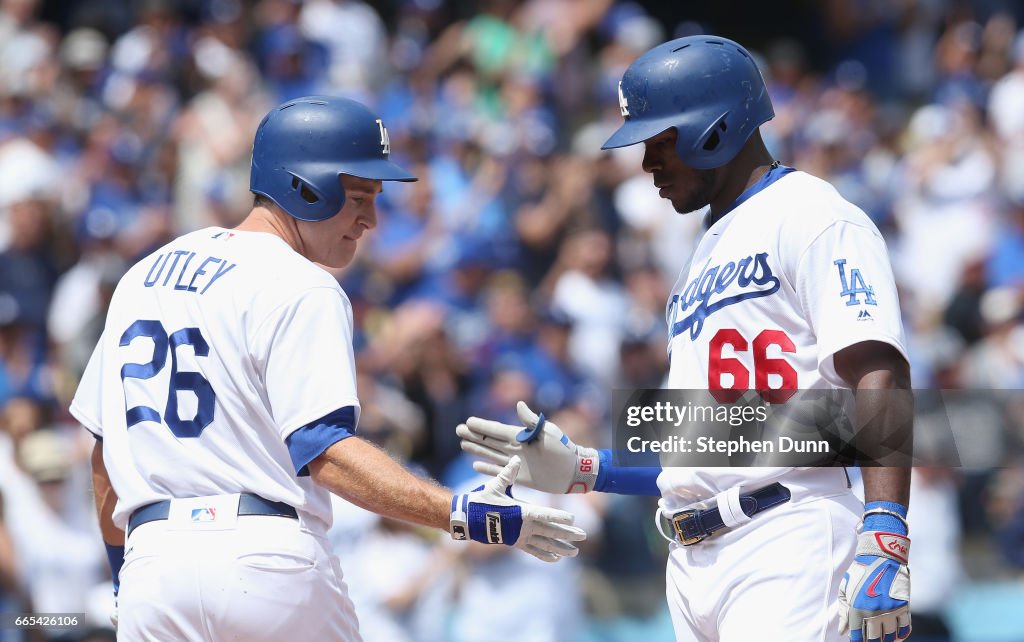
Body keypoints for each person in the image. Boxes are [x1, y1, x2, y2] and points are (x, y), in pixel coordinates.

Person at [70, 95, 585, 641]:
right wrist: (459, 512)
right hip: (265, 560)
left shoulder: (143, 275)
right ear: (305, 186)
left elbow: (104, 453)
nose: (370, 219)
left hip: (153, 565)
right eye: (359, 196)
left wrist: (122, 577)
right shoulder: (302, 284)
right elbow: (327, 453)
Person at [458, 36, 913, 642]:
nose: (647, 163)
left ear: (715, 127)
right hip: (694, 558)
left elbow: (878, 372)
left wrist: (885, 532)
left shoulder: (812, 213)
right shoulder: (701, 254)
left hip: (785, 532)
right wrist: (591, 469)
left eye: (659, 141)